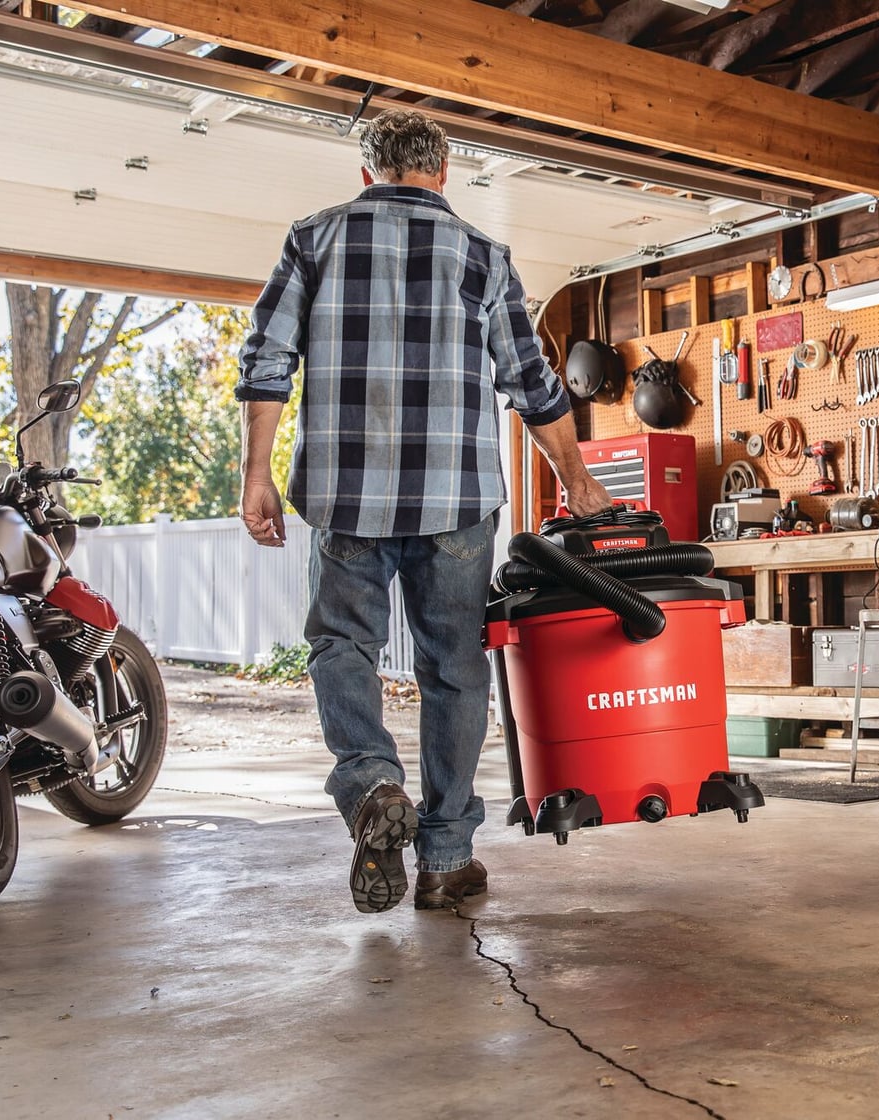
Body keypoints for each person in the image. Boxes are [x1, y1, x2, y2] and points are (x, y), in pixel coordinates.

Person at [235, 109, 612, 914]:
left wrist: (255, 475)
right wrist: (576, 480)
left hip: (345, 494)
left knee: (342, 646)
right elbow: (532, 384)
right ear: (443, 172)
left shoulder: (314, 239)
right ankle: (445, 859)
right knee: (453, 669)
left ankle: (372, 783)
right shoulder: (484, 255)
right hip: (455, 500)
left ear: (368, 173)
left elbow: (266, 360)